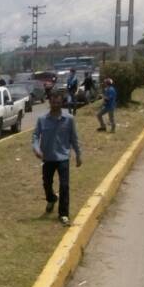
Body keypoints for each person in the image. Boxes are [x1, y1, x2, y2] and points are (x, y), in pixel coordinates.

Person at [32, 91, 82, 226]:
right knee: (46, 183)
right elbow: (36, 136)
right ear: (50, 102)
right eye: (53, 102)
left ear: (62, 103)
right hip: (48, 158)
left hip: (63, 157)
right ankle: (51, 198)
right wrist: (36, 149)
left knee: (64, 186)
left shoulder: (69, 119)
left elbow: (74, 138)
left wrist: (78, 154)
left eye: (58, 102)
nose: (55, 105)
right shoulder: (42, 119)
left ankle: (63, 214)